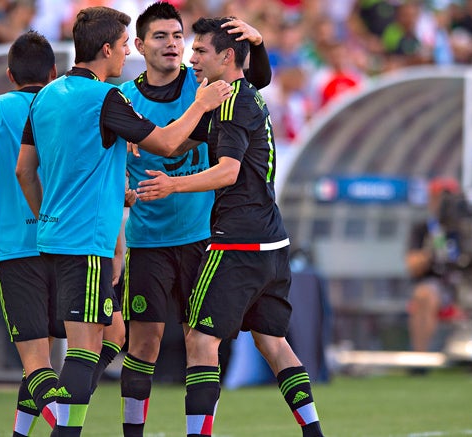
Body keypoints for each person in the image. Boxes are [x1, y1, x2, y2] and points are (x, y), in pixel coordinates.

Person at [15, 7, 232, 436]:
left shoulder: (45, 95)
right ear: (109, 48)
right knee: (83, 352)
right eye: (127, 43)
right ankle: (63, 431)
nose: (127, 53)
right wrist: (203, 105)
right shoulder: (108, 98)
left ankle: (34, 427)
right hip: (87, 244)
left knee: (112, 337)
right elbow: (169, 144)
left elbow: (25, 169)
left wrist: (49, 214)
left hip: (51, 239)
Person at [136, 17, 325, 437]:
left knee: (200, 342)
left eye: (200, 51)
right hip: (273, 243)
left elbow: (227, 171)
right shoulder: (247, 95)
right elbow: (180, 142)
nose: (191, 57)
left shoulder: (231, 104)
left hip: (236, 244)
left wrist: (173, 186)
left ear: (225, 56)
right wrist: (141, 146)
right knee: (273, 343)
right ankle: (314, 431)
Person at [116, 3, 272, 435]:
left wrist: (257, 44)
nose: (173, 44)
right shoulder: (123, 100)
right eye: (161, 36)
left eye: (178, 36)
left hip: (203, 238)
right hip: (147, 238)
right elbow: (110, 170)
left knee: (199, 342)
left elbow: (252, 86)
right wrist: (123, 197)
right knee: (143, 344)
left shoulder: (204, 82)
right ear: (141, 45)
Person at [0, 31, 62, 437]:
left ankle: (68, 428)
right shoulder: (66, 105)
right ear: (54, 72)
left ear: (9, 75)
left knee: (36, 362)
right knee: (53, 359)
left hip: (15, 252)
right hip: (67, 246)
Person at [406, 177, 465, 361]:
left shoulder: (467, 227)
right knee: (424, 295)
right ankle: (421, 358)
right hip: (437, 285)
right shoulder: (423, 229)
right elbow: (412, 265)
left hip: (466, 283)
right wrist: (430, 249)